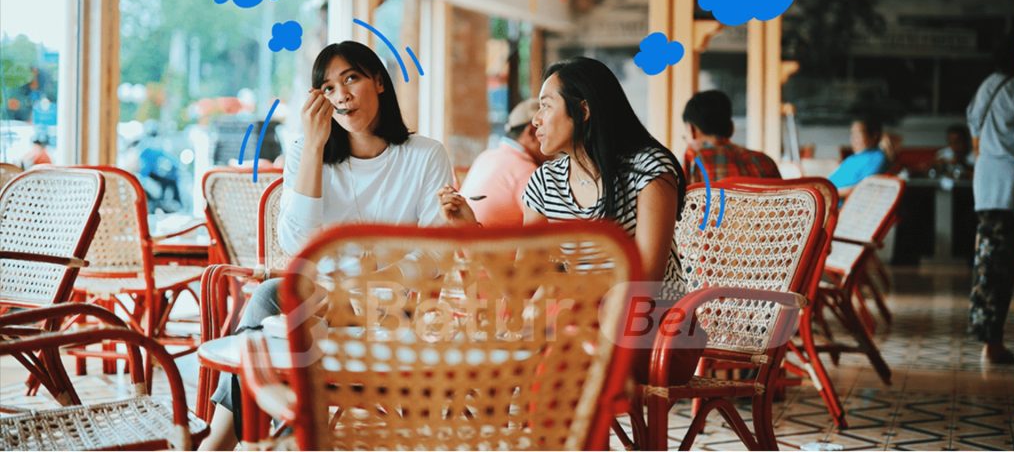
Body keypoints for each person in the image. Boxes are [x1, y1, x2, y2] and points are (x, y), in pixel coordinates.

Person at [200, 41, 454, 451]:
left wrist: (367, 286)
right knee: (270, 296)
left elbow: (436, 251)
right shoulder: (307, 151)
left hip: (392, 309)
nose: (342, 96)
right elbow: (297, 243)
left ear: (379, 83)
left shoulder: (423, 156)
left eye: (351, 78)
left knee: (267, 309)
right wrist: (315, 147)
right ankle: (240, 440)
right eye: (329, 88)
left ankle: (229, 440)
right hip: (319, 306)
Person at [439, 56, 686, 290]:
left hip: (654, 320)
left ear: (583, 110)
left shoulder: (648, 170)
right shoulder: (545, 182)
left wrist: (562, 287)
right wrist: (469, 227)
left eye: (545, 106)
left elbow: (646, 280)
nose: (536, 120)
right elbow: (521, 288)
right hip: (584, 322)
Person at [965, 55, 1014, 365]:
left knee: (991, 265)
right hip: (1012, 182)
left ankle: (991, 340)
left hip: (987, 182)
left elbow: (974, 131)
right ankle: (992, 344)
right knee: (1001, 266)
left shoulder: (991, 84)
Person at [458, 98, 546, 227]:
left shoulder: (486, 156)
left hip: (464, 244)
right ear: (532, 132)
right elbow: (545, 232)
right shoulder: (525, 170)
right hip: (489, 246)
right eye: (546, 131)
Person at [681, 90, 781, 182]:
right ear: (731, 128)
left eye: (685, 137)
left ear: (691, 130)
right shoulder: (765, 161)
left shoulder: (693, 161)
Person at [828, 115, 889, 199]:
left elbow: (863, 189)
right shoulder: (852, 158)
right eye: (852, 134)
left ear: (874, 136)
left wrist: (827, 193)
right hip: (827, 196)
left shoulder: (877, 158)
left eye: (858, 134)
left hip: (838, 205)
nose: (853, 139)